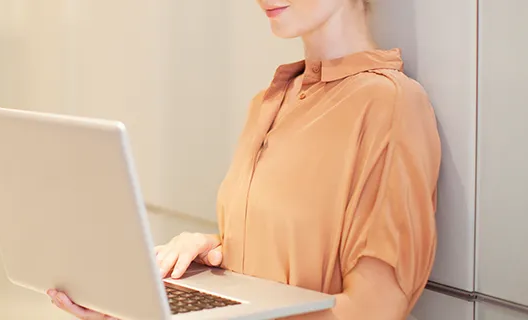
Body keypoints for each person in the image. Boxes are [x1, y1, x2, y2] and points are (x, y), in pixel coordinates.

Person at [49, 0, 441, 318]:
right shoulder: (269, 102)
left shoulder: (390, 104)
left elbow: (375, 311)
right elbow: (285, 260)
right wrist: (214, 253)